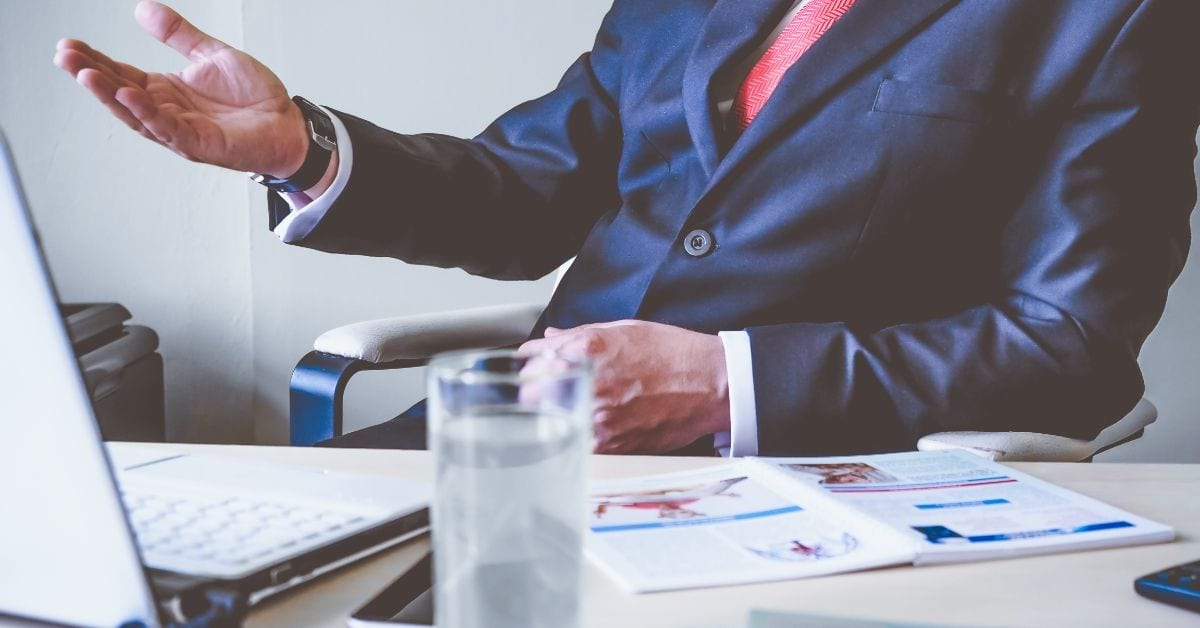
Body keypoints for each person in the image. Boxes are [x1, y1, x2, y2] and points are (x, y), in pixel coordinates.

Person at [55, 1, 1199, 456]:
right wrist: (304, 148)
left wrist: (724, 385)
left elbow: (1069, 341)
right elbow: (523, 191)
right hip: (522, 444)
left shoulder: (1116, 14)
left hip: (805, 481)